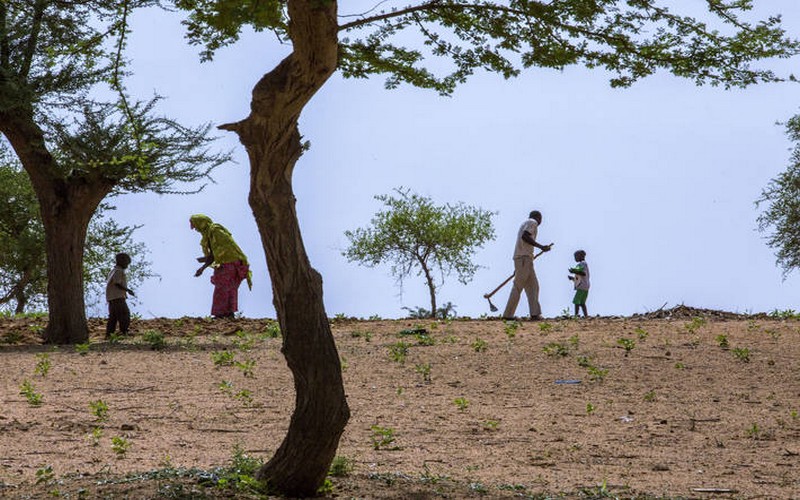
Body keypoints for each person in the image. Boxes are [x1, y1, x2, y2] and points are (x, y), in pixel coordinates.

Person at [190, 214, 253, 319]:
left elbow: (225, 249)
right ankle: (228, 314)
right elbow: (216, 254)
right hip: (229, 263)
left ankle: (222, 314)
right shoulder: (209, 234)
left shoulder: (215, 231)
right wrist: (202, 268)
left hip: (230, 263)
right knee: (227, 288)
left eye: (194, 224)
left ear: (201, 222)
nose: (194, 228)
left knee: (222, 288)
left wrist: (207, 261)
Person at [502, 210, 552, 320]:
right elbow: (525, 236)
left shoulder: (526, 223)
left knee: (533, 286)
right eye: (541, 219)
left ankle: (535, 314)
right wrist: (541, 247)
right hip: (523, 258)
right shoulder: (532, 222)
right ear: (538, 218)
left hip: (525, 259)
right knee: (518, 286)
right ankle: (508, 315)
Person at [106, 252, 135, 339]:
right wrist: (127, 290)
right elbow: (117, 283)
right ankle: (124, 332)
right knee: (124, 314)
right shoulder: (119, 271)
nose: (127, 265)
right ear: (121, 261)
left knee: (113, 317)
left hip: (111, 298)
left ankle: (109, 334)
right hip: (118, 297)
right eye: (126, 263)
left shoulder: (113, 271)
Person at [568, 249, 590, 317]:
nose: (575, 258)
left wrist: (573, 271)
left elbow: (582, 273)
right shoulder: (585, 264)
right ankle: (586, 315)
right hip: (586, 286)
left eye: (576, 256)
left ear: (580, 256)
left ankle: (576, 315)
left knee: (576, 301)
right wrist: (572, 278)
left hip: (582, 286)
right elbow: (580, 277)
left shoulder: (582, 264)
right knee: (582, 302)